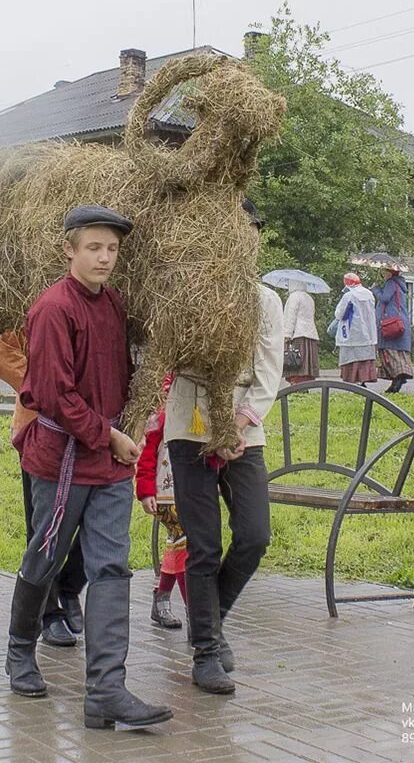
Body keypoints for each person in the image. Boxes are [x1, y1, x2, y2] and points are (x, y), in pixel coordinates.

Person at [3, 205, 170, 728]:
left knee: (112, 568)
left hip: (110, 460)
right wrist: (111, 436)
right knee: (47, 554)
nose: (103, 257)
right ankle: (18, 652)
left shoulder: (114, 304)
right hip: (61, 460)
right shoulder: (54, 309)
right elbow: (53, 394)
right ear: (70, 250)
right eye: (93, 247)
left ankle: (106, 690)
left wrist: (130, 425)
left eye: (112, 249)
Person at [166, 258, 284, 696]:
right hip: (189, 425)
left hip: (245, 433)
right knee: (204, 546)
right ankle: (206, 652)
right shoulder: (186, 292)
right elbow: (170, 353)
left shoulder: (265, 300)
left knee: (255, 535)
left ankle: (211, 620)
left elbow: (269, 368)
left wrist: (238, 423)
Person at [0, 329, 86, 646]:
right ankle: (48, 614)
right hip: (39, 429)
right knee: (44, 526)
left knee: (95, 517)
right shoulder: (32, 303)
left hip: (91, 430)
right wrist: (51, 388)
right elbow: (4, 353)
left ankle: (70, 584)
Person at [136, 377, 185, 630]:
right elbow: (146, 457)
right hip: (165, 495)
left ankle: (162, 599)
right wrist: (145, 491)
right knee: (186, 544)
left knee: (178, 542)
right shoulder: (160, 419)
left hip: (186, 492)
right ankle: (196, 613)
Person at [373, 269, 414, 394]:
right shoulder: (400, 284)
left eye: (385, 272)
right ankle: (398, 379)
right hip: (400, 323)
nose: (384, 274)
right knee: (398, 353)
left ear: (390, 273)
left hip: (390, 324)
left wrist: (375, 289)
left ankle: (397, 378)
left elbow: (385, 298)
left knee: (389, 352)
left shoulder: (391, 283)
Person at [333, 273, 378, 386]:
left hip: (352, 331)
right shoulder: (369, 294)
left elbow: (340, 313)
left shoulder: (349, 296)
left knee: (352, 358)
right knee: (364, 357)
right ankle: (364, 379)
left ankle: (352, 379)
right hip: (368, 331)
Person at [281, 280, 319, 384]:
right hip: (311, 333)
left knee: (296, 360)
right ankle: (305, 383)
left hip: (297, 333)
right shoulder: (309, 298)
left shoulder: (294, 297)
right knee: (307, 361)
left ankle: (296, 383)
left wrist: (287, 334)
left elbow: (290, 317)